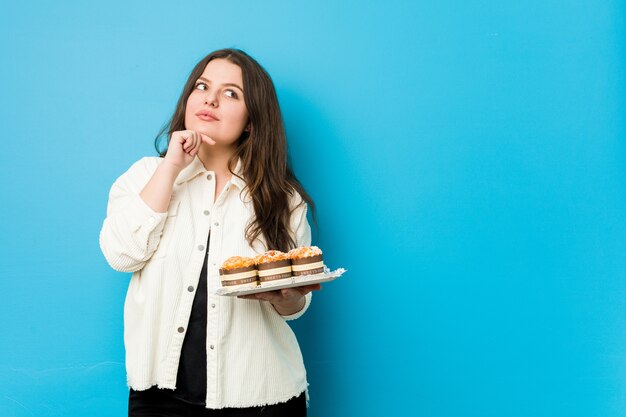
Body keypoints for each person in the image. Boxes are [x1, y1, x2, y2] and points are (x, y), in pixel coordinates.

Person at [99, 48, 320, 417]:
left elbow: (295, 308)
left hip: (263, 397)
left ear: (252, 121)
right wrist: (171, 167)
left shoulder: (282, 198)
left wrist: (287, 296)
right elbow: (121, 254)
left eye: (232, 93)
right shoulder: (144, 176)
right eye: (202, 86)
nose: (211, 99)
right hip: (161, 398)